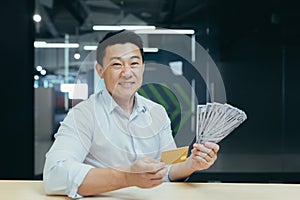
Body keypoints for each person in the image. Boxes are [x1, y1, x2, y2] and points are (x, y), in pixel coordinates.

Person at [43, 30, 219, 198]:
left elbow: (168, 168)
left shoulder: (157, 112)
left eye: (134, 63)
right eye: (116, 64)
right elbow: (54, 174)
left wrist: (191, 164)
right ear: (100, 71)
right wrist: (127, 177)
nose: (127, 73)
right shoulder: (82, 115)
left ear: (142, 67)